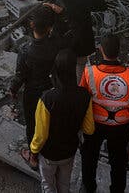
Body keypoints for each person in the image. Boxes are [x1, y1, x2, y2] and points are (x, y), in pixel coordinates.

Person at [79, 34, 129, 193]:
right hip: (121, 126)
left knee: (89, 158)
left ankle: (88, 188)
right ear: (119, 50)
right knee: (119, 161)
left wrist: (79, 123)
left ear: (100, 49)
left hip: (95, 125)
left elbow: (81, 99)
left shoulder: (90, 73)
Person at [27, 49, 94, 193]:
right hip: (69, 152)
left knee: (48, 185)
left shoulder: (47, 99)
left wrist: (33, 152)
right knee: (64, 185)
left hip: (49, 154)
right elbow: (89, 129)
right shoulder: (84, 96)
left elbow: (41, 135)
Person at [10, 7, 64, 159]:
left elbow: (20, 75)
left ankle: (33, 156)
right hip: (51, 89)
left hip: (32, 92)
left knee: (32, 123)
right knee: (50, 120)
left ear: (32, 25)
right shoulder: (57, 45)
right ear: (50, 27)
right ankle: (49, 147)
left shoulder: (25, 50)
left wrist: (13, 89)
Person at [45, 0, 108, 74]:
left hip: (62, 36)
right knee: (80, 65)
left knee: (62, 63)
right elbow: (103, 6)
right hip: (80, 39)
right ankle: (78, 82)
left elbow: (49, 10)